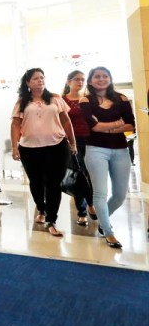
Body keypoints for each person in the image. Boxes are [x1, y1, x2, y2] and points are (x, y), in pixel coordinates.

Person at [11, 68, 77, 237]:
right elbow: (15, 125)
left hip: (57, 146)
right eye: (35, 78)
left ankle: (52, 220)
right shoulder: (22, 102)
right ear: (27, 83)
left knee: (54, 183)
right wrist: (14, 146)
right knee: (36, 181)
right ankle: (41, 207)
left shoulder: (55, 98)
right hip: (29, 149)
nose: (39, 80)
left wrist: (72, 142)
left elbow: (66, 121)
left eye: (42, 77)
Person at [79, 66, 136, 249]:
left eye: (105, 76)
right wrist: (116, 124)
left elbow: (131, 125)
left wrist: (108, 126)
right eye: (97, 77)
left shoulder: (121, 98)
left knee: (120, 195)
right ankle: (108, 232)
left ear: (110, 79)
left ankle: (103, 221)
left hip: (120, 150)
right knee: (100, 194)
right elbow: (93, 126)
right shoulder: (86, 100)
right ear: (90, 81)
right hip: (96, 149)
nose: (101, 79)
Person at [62, 70, 97, 225]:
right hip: (72, 142)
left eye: (83, 80)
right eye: (77, 79)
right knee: (78, 176)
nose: (80, 82)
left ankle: (91, 203)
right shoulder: (62, 100)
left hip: (90, 140)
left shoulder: (88, 100)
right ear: (68, 81)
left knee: (91, 176)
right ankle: (83, 210)